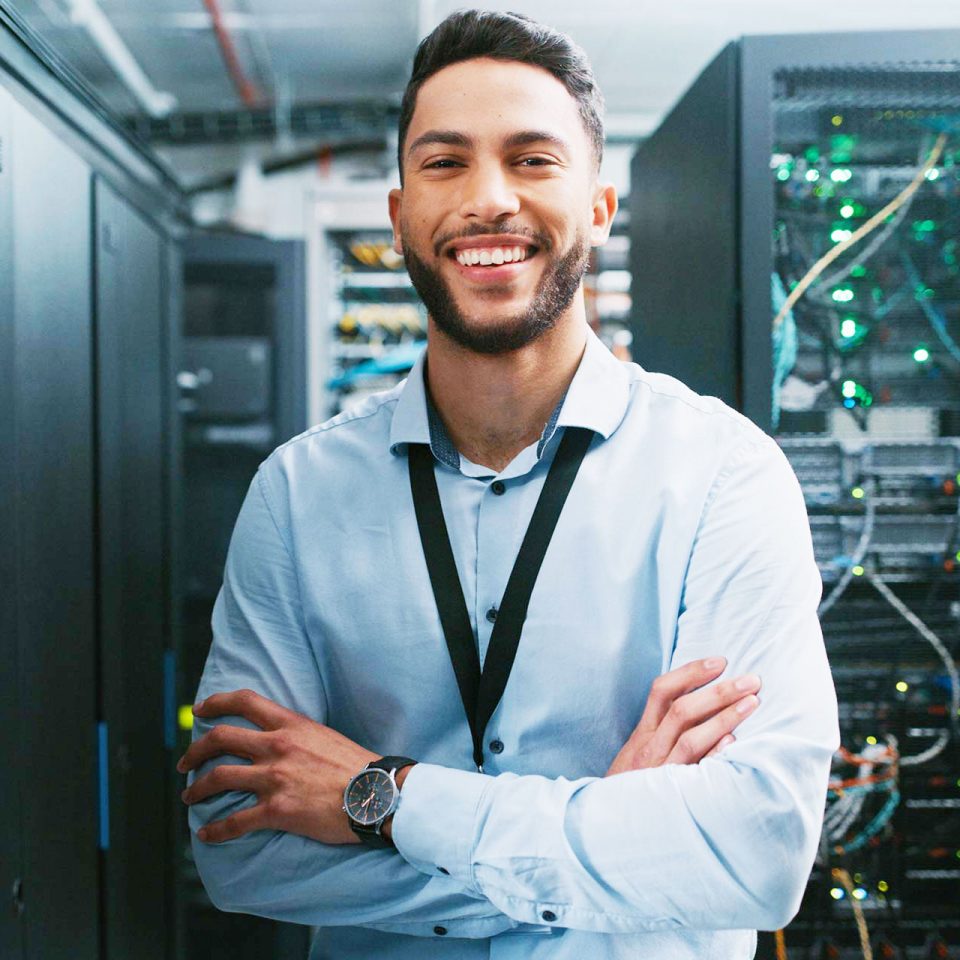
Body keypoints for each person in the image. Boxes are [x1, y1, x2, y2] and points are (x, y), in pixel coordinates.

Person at [178, 10, 839, 959]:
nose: (490, 199)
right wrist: (615, 838)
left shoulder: (723, 477)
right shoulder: (297, 495)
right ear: (400, 215)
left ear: (601, 206)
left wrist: (382, 799)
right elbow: (240, 850)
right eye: (445, 162)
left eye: (533, 159)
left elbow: (756, 856)